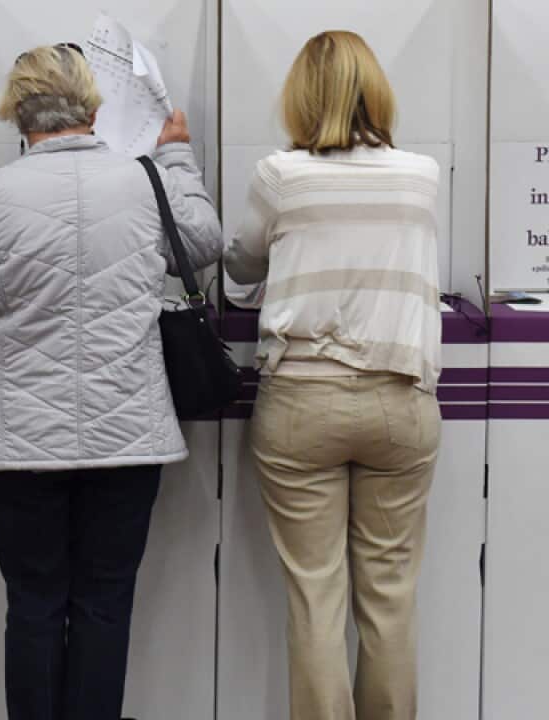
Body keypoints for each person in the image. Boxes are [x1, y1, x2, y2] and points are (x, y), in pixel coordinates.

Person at [0, 44, 222, 720]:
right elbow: (204, 243)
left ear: (16, 114)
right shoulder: (144, 180)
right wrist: (176, 154)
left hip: (24, 446)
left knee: (33, 606)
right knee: (104, 603)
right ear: (94, 108)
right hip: (126, 438)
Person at [224, 31, 442, 720]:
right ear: (375, 92)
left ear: (300, 97)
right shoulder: (421, 175)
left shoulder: (281, 176)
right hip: (401, 401)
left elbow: (240, 266)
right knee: (391, 599)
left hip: (303, 404)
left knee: (316, 598)